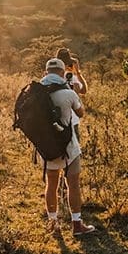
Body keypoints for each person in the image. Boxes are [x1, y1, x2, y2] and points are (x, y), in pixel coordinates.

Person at [40, 57, 95, 237]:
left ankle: (53, 223)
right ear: (63, 73)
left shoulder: (37, 93)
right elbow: (81, 112)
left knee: (51, 184)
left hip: (46, 146)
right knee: (73, 184)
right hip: (68, 145)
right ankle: (77, 224)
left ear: (46, 72)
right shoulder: (68, 93)